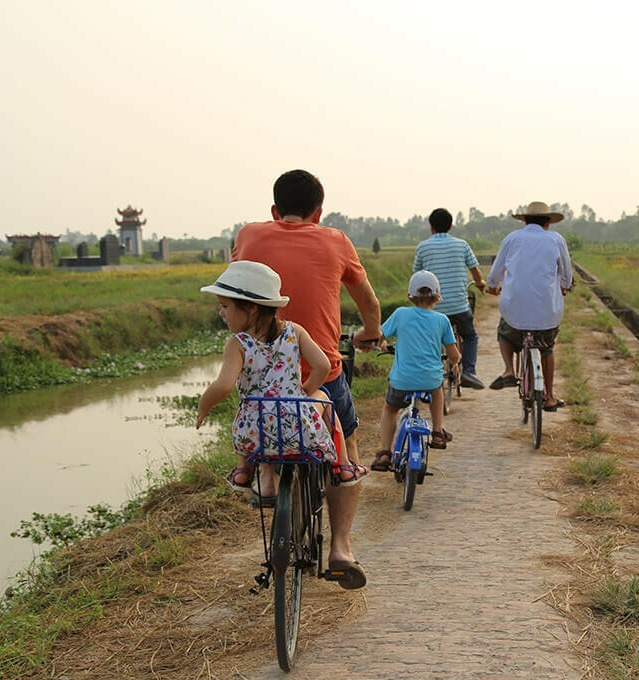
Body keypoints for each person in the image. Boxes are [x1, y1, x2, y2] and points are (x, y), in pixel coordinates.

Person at [231, 169, 382, 589]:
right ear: (318, 212)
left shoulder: (249, 236)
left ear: (275, 210)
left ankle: (266, 473)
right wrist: (371, 332)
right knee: (344, 449)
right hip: (321, 376)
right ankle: (341, 549)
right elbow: (368, 301)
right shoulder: (335, 240)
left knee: (261, 412)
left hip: (260, 375)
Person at [195, 261, 367, 506]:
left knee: (256, 412)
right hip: (298, 422)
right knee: (325, 399)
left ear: (252, 308)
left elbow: (223, 386)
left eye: (225, 306)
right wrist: (305, 393)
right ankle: (343, 465)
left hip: (253, 434)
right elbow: (323, 366)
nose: (220, 312)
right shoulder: (294, 331)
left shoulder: (237, 344)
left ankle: (246, 472)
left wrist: (204, 405)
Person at [369, 271, 461, 472]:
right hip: (430, 380)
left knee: (391, 408)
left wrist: (383, 345)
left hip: (402, 381)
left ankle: (385, 452)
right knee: (438, 392)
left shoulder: (401, 314)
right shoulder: (442, 320)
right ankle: (437, 431)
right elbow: (454, 355)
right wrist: (455, 361)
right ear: (437, 296)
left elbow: (380, 337)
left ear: (410, 296)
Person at [486, 201, 573, 412]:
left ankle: (509, 370)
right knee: (547, 348)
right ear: (548, 222)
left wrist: (492, 286)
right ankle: (550, 397)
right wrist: (564, 286)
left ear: (524, 220)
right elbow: (567, 276)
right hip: (547, 314)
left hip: (514, 311)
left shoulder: (512, 239)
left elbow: (495, 273)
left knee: (504, 332)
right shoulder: (556, 240)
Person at [413, 208, 487, 389]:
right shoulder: (462, 245)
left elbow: (417, 276)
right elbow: (475, 271)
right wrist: (480, 283)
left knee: (431, 337)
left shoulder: (423, 247)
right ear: (451, 226)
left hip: (433, 308)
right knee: (470, 336)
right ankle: (469, 370)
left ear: (431, 227)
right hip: (459, 307)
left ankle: (428, 371)